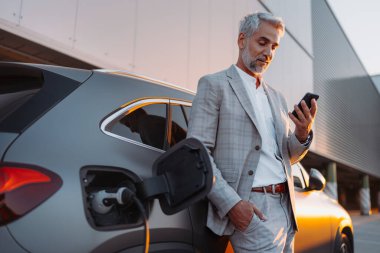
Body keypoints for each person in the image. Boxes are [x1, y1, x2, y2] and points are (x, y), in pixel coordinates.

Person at [187, 12, 317, 253]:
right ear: (242, 40)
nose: (268, 52)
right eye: (262, 42)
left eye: (275, 46)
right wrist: (233, 205)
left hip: (286, 207)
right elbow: (198, 153)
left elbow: (287, 155)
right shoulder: (214, 85)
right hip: (253, 209)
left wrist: (301, 134)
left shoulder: (277, 97)